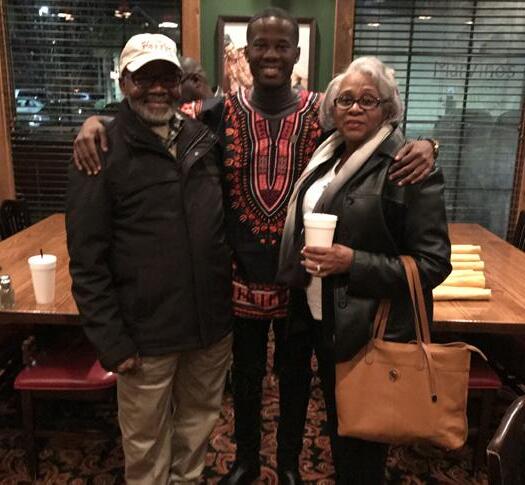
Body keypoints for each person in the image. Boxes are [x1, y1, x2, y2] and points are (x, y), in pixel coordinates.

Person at [72, 9, 437, 485]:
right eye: (260, 45)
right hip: (235, 282)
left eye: (281, 46)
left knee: (295, 379)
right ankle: (245, 460)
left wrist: (428, 143)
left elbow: (374, 132)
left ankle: (287, 463)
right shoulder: (218, 111)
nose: (270, 55)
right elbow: (148, 115)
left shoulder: (321, 112)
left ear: (297, 54)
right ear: (245, 53)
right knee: (243, 381)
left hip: (302, 280)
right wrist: (94, 121)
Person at [66, 33, 232, 485]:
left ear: (181, 82)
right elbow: (86, 260)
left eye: (167, 77)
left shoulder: (203, 139)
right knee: (145, 448)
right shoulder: (100, 149)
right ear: (124, 82)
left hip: (209, 327)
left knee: (196, 432)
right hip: (144, 336)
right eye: (144, 78)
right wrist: (112, 341)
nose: (157, 88)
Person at [277, 56, 452, 484]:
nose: (355, 108)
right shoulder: (327, 154)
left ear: (388, 109)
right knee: (337, 427)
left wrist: (353, 262)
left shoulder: (409, 166)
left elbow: (433, 263)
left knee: (360, 444)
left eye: (368, 100)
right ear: (332, 108)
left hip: (369, 329)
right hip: (317, 316)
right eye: (346, 99)